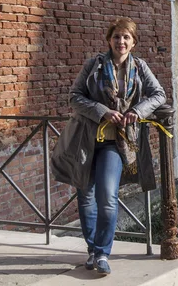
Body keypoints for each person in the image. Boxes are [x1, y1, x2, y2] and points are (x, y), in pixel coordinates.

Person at [52, 18, 166, 276]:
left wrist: (138, 110)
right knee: (85, 195)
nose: (121, 41)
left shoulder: (140, 67)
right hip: (86, 140)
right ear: (109, 39)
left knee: (107, 196)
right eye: (117, 37)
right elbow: (74, 97)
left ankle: (103, 252)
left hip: (117, 143)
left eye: (126, 37)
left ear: (133, 42)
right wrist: (102, 111)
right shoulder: (94, 65)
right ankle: (92, 249)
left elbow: (159, 95)